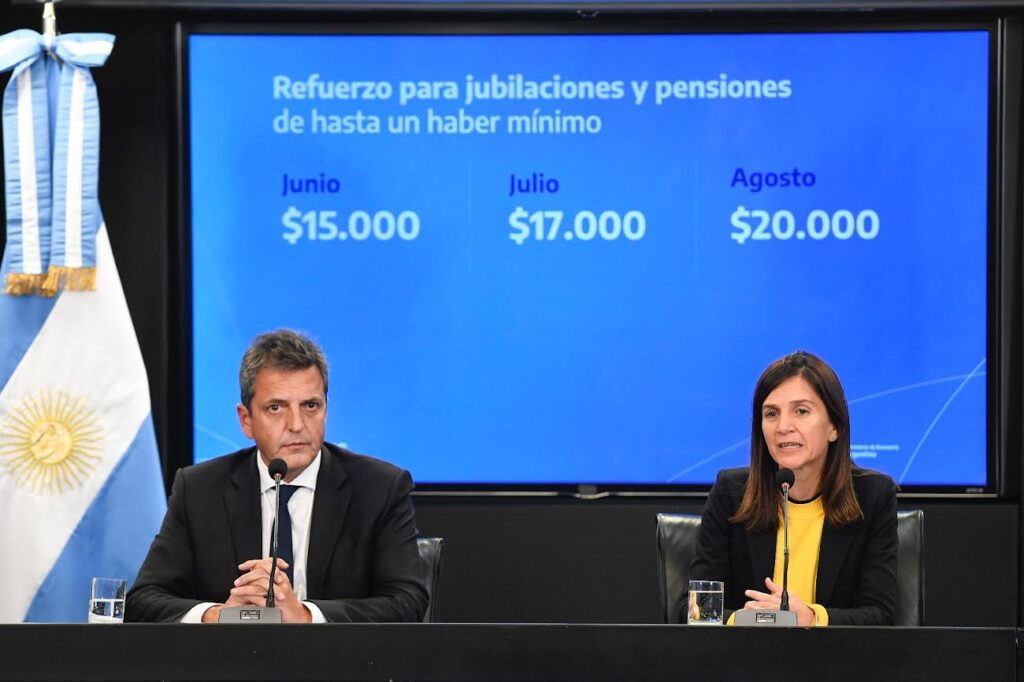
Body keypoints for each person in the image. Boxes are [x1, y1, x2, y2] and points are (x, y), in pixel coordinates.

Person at [126, 329, 428, 623]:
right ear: (246, 420)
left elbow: (407, 601)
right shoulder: (199, 490)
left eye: (310, 405)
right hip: (232, 656)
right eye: (276, 408)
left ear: (325, 410)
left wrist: (307, 616)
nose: (296, 424)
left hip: (338, 658)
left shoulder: (379, 488)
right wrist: (220, 616)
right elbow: (144, 600)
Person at [689, 350, 898, 626]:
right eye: (771, 414)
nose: (783, 426)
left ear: (834, 426)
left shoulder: (872, 496)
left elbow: (881, 616)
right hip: (746, 651)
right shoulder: (731, 492)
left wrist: (811, 617)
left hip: (836, 654)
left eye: (801, 411)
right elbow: (696, 609)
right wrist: (749, 620)